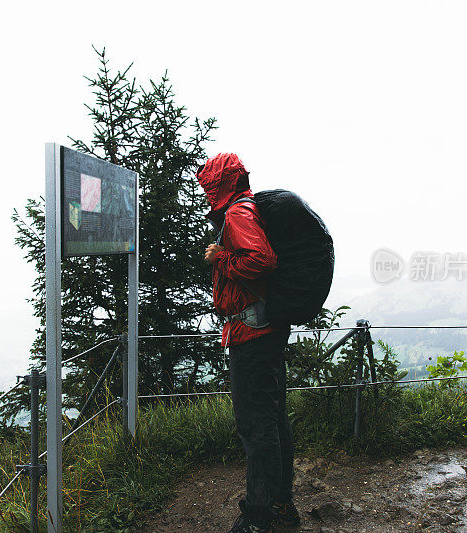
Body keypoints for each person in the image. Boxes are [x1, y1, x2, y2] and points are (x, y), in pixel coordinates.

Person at [197, 153, 301, 533]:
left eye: (208, 188)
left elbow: (261, 260)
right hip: (264, 330)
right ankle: (282, 505)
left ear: (219, 186)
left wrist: (220, 257)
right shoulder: (249, 207)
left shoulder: (237, 214)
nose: (206, 195)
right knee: (272, 422)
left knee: (256, 427)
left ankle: (259, 516)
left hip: (251, 335)